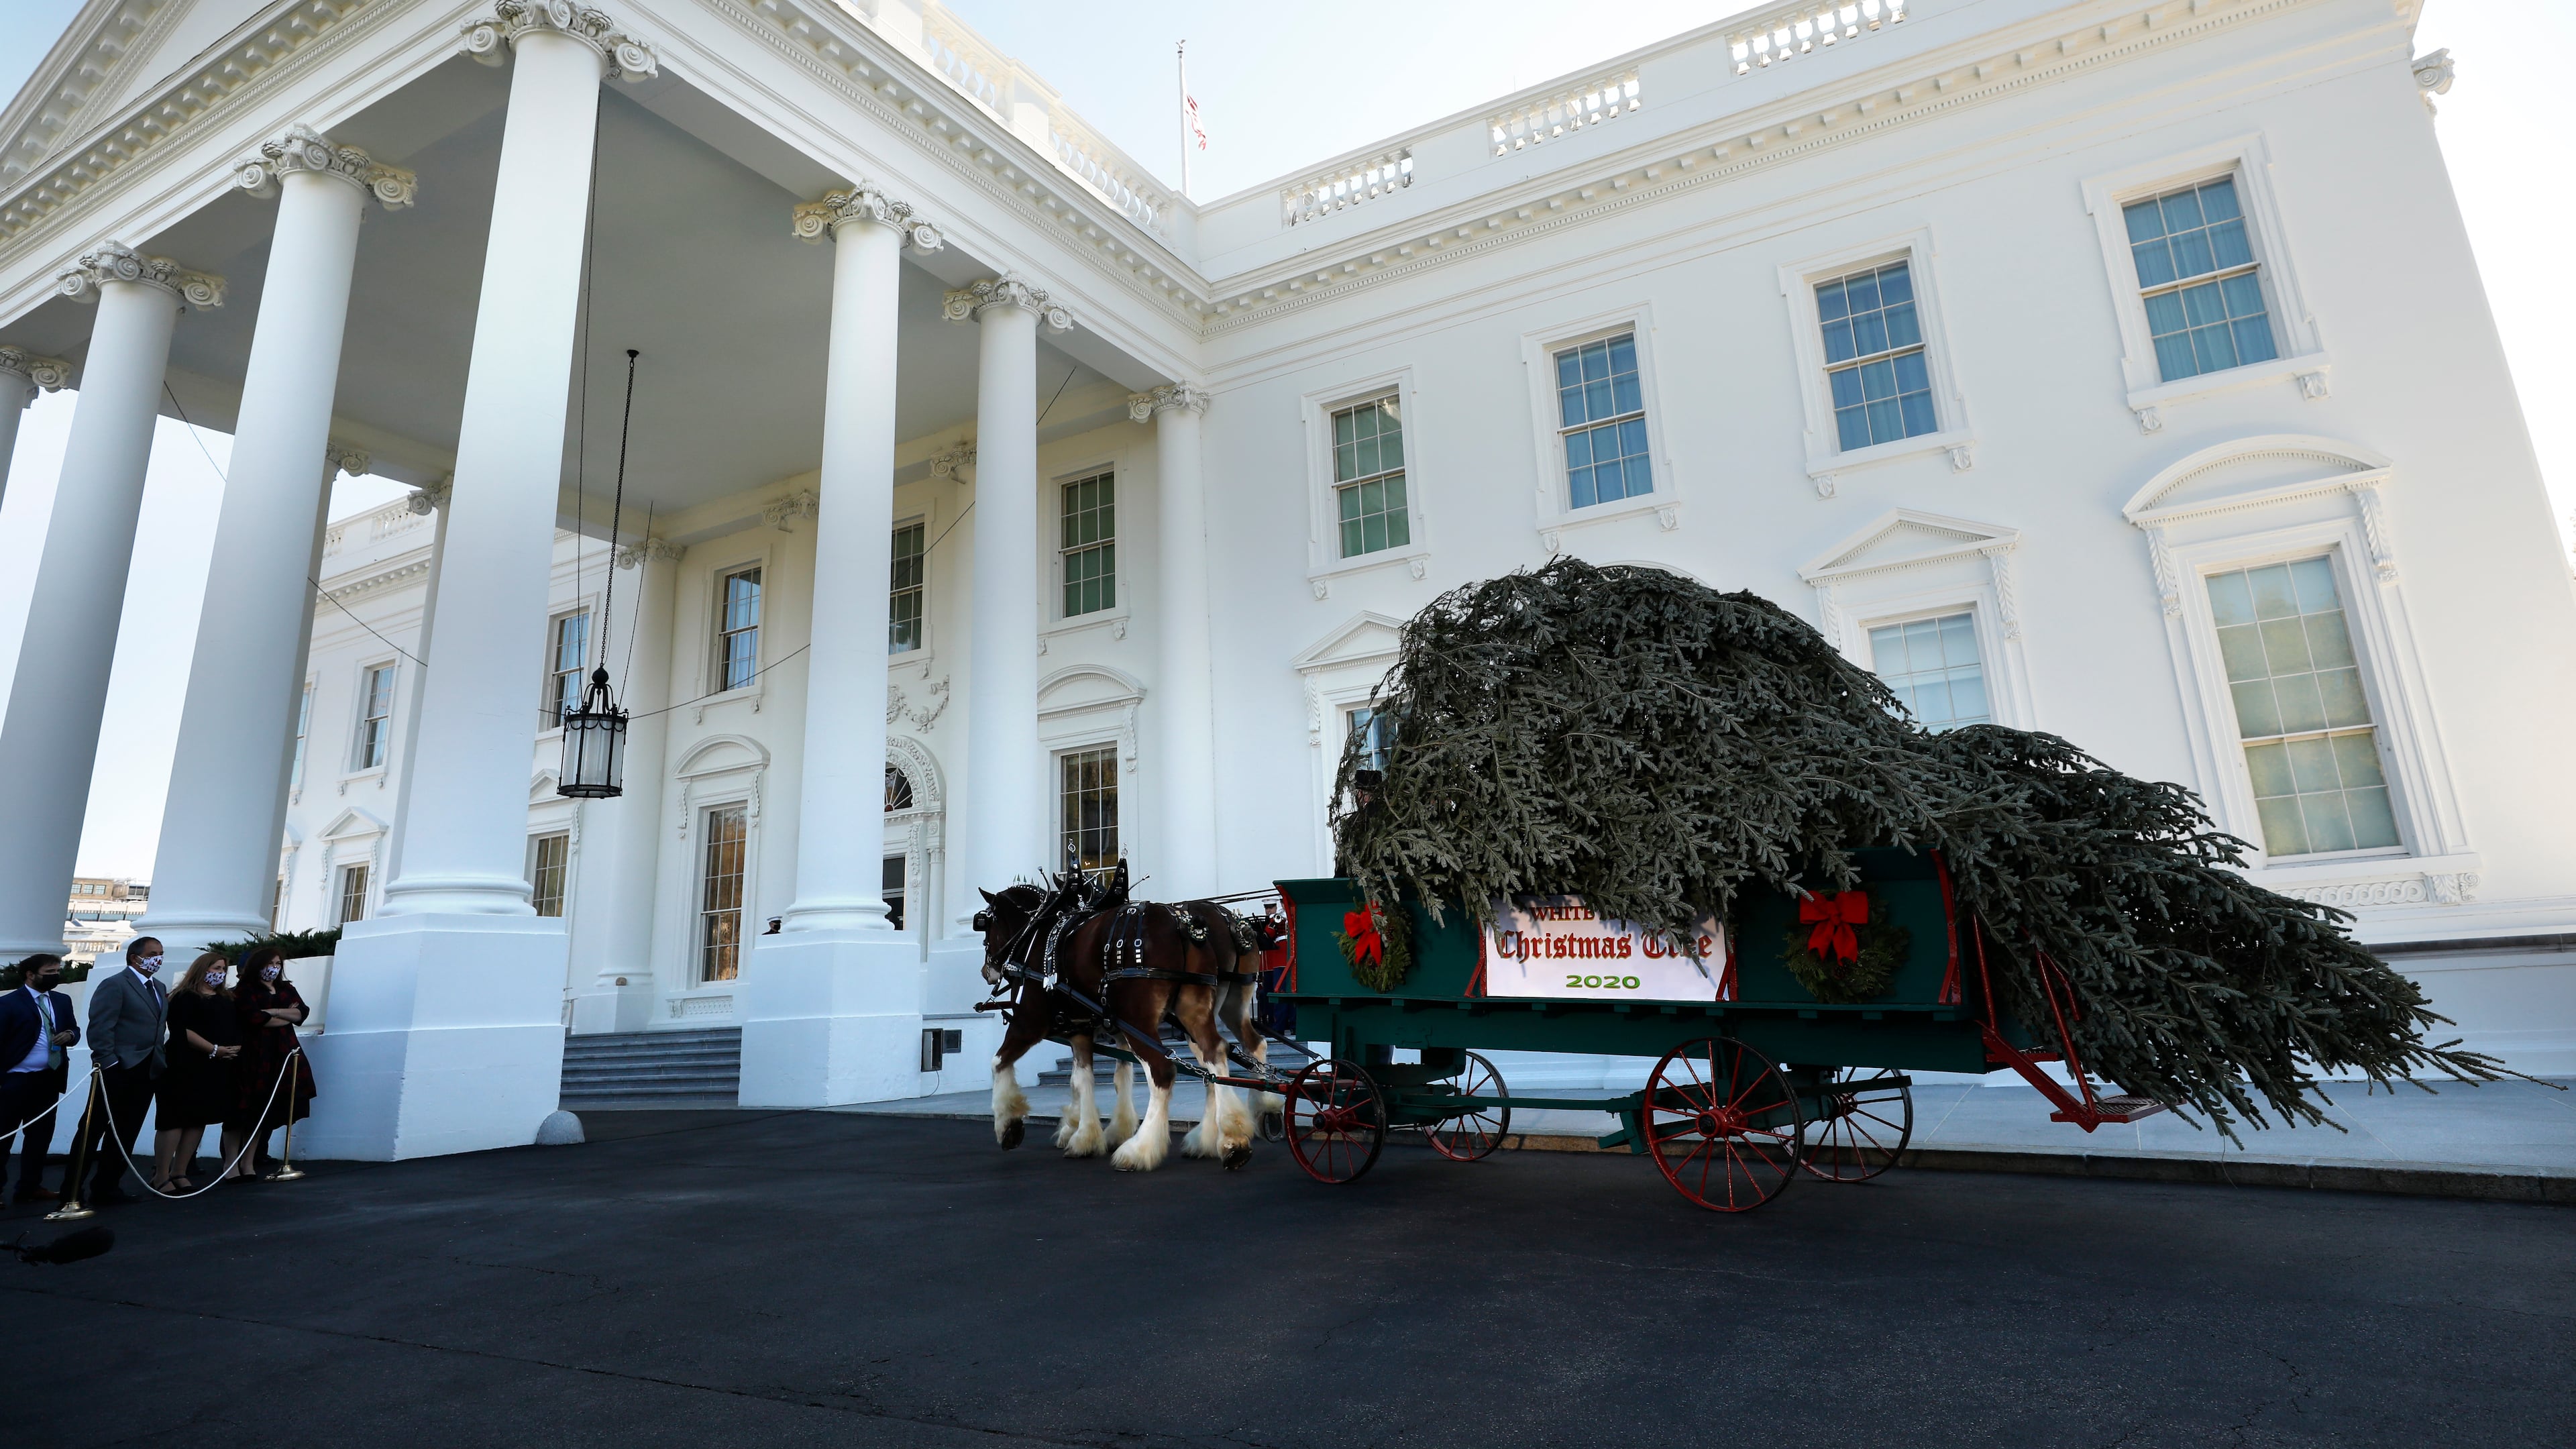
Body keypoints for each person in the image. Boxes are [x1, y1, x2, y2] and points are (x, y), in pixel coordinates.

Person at [79, 936, 169, 1206]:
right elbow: (100, 1026)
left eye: (161, 953)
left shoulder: (159, 987)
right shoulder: (115, 985)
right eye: (153, 953)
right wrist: (109, 1062)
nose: (158, 958)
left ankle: (107, 1187)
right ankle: (71, 1188)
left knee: (127, 1131)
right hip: (117, 1069)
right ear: (135, 957)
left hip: (147, 1070)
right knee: (93, 1129)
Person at [151, 953, 240, 1193]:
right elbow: (182, 1030)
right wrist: (214, 1049)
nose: (220, 972)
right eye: (216, 967)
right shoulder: (184, 997)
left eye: (223, 968)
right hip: (183, 1063)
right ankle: (161, 1175)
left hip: (213, 1067)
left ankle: (180, 1171)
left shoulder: (226, 998)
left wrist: (231, 1048)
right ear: (202, 969)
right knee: (174, 1120)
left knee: (198, 1118)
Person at [0, 954, 79, 1206]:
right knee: (4, 1138)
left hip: (48, 1079)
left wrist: (69, 1034)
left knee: (40, 1137)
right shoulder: (9, 1004)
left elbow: (74, 1029)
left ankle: (30, 1187)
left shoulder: (62, 1000)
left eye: (58, 970)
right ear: (30, 975)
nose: (56, 975)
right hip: (15, 1081)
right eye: (49, 972)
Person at [230, 947, 315, 1178]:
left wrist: (274, 1011)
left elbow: (302, 1014)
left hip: (285, 1052)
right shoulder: (244, 991)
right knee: (249, 1108)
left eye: (278, 963)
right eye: (270, 963)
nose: (274, 968)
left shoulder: (286, 988)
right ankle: (233, 1163)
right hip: (257, 1055)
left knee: (271, 1108)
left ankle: (252, 1160)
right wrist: (283, 1016)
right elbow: (254, 1019)